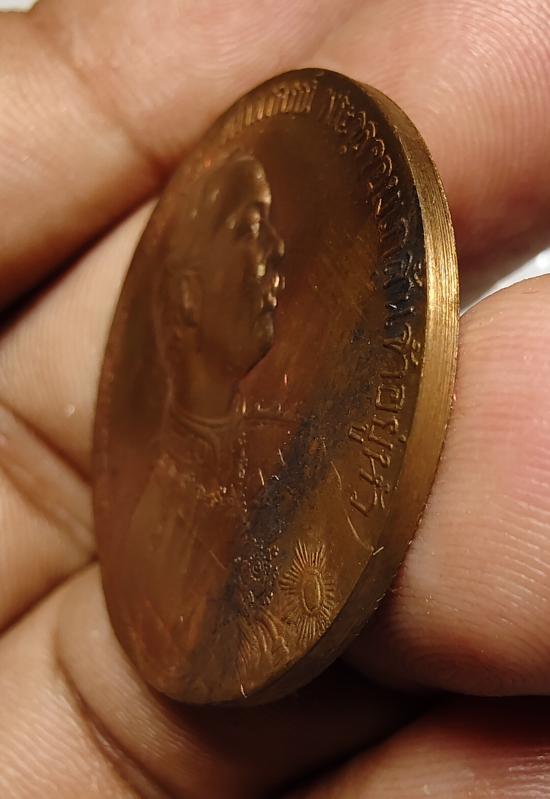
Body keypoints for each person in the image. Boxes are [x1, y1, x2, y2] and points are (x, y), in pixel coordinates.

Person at [1, 1, 550, 796]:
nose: (271, 259)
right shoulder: (162, 524)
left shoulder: (293, 460)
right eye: (247, 232)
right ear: (187, 297)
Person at [116, 151, 288, 699]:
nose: (276, 248)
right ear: (188, 296)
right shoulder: (153, 537)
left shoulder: (289, 447)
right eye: (249, 230)